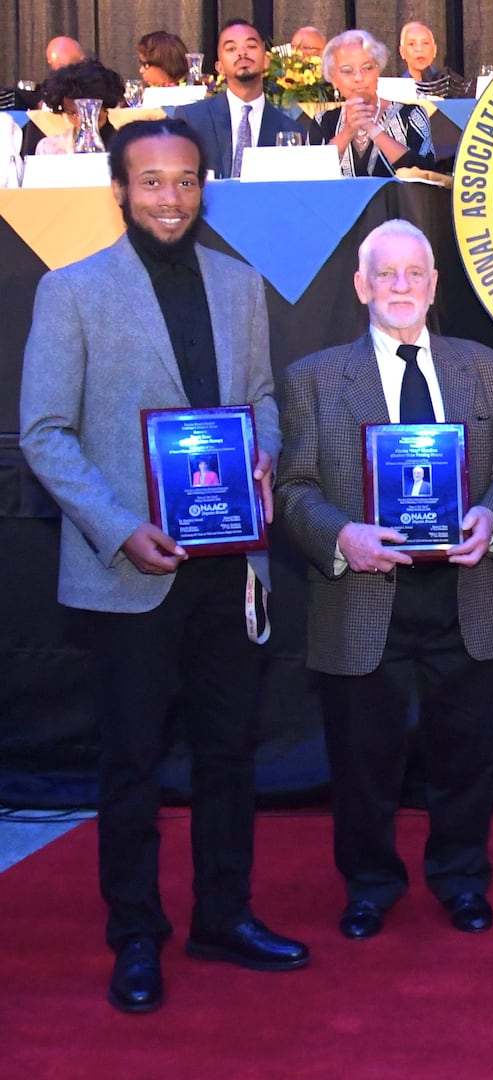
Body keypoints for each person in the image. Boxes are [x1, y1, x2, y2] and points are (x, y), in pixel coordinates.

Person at [19, 118, 308, 1015]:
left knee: (229, 754)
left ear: (204, 186)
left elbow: (259, 397)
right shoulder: (71, 292)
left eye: (185, 181)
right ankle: (135, 934)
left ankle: (224, 913)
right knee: (132, 764)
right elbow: (45, 434)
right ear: (119, 190)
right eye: (151, 183)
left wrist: (262, 452)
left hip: (230, 565)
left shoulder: (241, 283)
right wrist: (117, 528)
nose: (170, 198)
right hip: (127, 570)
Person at [275, 219, 493, 942]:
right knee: (363, 763)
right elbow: (293, 487)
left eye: (414, 273)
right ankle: (369, 884)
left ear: (433, 285)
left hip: (464, 592)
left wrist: (492, 516)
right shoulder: (315, 379)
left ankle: (461, 878)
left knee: (465, 757)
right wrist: (342, 536)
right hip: (362, 594)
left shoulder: (484, 370)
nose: (400, 285)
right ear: (361, 286)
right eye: (384, 273)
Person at [175, 21, 316, 180]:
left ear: (266, 61)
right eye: (231, 48)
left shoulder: (292, 130)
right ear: (219, 67)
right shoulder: (191, 119)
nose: (242, 52)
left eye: (251, 46)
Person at [319, 30, 436, 177]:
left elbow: (427, 174)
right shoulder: (323, 120)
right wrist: (348, 132)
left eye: (367, 68)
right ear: (333, 78)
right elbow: (309, 177)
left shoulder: (412, 114)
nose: (358, 77)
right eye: (347, 71)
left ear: (378, 71)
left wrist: (372, 128)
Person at [20, 59, 121, 157]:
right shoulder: (50, 149)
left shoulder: (128, 146)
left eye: (89, 111)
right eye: (73, 113)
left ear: (105, 106)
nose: (81, 119)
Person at [399, 21, 469, 98]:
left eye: (425, 43)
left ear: (435, 50)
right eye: (411, 44)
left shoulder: (450, 86)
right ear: (402, 52)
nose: (419, 49)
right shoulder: (395, 90)